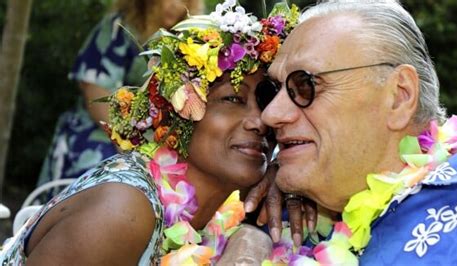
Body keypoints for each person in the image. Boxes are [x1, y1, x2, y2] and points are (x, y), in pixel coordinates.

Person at [0, 1, 299, 264]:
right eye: (232, 99)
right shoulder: (121, 211)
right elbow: (92, 83)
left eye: (266, 100)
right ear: (174, 112)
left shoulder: (216, 213)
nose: (261, 120)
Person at [253, 0, 457, 264]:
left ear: (399, 97)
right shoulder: (285, 219)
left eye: (305, 84)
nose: (271, 114)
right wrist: (250, 232)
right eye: (272, 90)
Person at [37, 0, 203, 186]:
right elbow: (94, 90)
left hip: (153, 145)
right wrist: (130, 146)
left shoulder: (186, 41)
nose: (175, 5)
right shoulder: (118, 29)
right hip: (101, 133)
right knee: (106, 184)